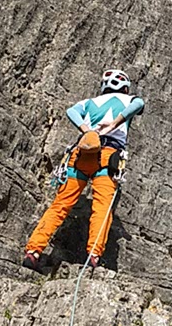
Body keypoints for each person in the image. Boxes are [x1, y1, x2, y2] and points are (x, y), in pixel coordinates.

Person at [23, 69, 145, 271]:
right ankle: (94, 256)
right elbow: (139, 104)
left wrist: (87, 130)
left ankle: (33, 251)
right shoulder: (129, 99)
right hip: (108, 158)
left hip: (80, 155)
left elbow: (71, 111)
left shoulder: (89, 103)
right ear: (125, 87)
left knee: (60, 205)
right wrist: (113, 124)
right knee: (102, 207)